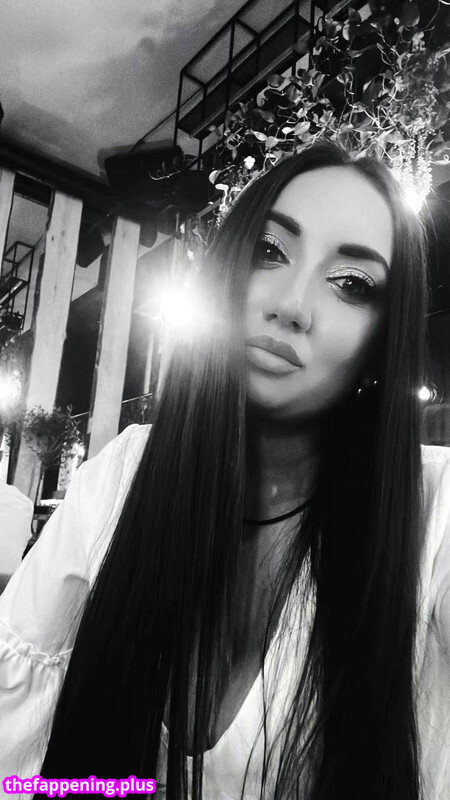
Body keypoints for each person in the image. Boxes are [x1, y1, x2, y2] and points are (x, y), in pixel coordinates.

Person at [0, 141, 449, 800]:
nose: (291, 304)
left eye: (352, 284)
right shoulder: (124, 475)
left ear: (383, 344)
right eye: (269, 251)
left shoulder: (434, 509)